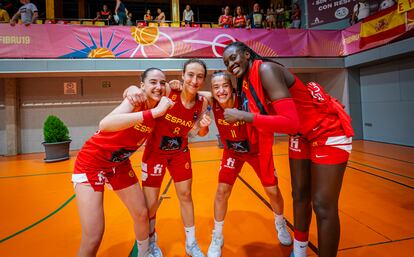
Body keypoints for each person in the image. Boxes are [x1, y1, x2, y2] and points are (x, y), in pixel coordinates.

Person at [222, 42, 354, 257]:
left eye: (233, 57)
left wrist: (243, 115)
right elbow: (292, 127)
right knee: (299, 195)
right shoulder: (246, 82)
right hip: (302, 135)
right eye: (226, 63)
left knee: (322, 205)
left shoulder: (265, 70)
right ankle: (299, 251)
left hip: (326, 131)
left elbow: (289, 123)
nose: (231, 64)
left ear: (247, 54)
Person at [187, 72, 292, 257]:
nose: (221, 90)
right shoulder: (212, 102)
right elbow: (191, 93)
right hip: (232, 153)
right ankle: (218, 235)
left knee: (273, 191)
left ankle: (280, 222)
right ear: (212, 90)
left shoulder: (243, 101)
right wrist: (177, 85)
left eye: (225, 86)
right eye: (216, 87)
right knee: (221, 192)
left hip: (257, 152)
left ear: (232, 88)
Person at [72, 68, 174, 257]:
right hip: (92, 163)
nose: (158, 87)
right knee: (93, 236)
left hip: (119, 163)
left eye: (162, 83)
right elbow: (105, 124)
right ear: (142, 85)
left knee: (142, 214)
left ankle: (144, 254)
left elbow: (178, 88)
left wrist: (175, 84)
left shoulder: (161, 96)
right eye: (153, 82)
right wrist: (151, 110)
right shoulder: (136, 100)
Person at [125, 59, 212, 257]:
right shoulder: (166, 92)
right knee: (151, 203)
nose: (194, 80)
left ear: (203, 80)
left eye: (199, 76)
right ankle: (151, 241)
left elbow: (198, 132)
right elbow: (143, 89)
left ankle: (191, 243)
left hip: (180, 153)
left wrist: (204, 126)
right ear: (182, 75)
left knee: (186, 196)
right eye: (190, 74)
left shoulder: (202, 102)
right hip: (155, 153)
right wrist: (130, 89)